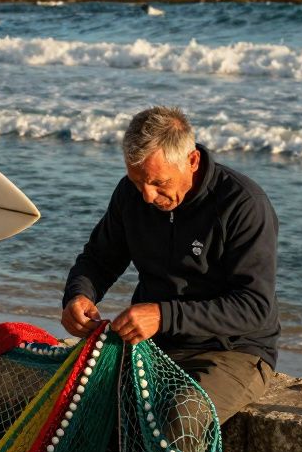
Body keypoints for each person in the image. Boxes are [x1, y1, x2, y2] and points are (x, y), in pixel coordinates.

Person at [61, 106, 279, 425]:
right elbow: (98, 259)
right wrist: (78, 297)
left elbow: (254, 307)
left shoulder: (243, 204)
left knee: (180, 416)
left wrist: (163, 316)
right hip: (155, 345)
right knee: (79, 402)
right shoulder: (130, 195)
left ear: (191, 161)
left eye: (158, 182)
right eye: (138, 183)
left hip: (233, 351)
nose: (148, 196)